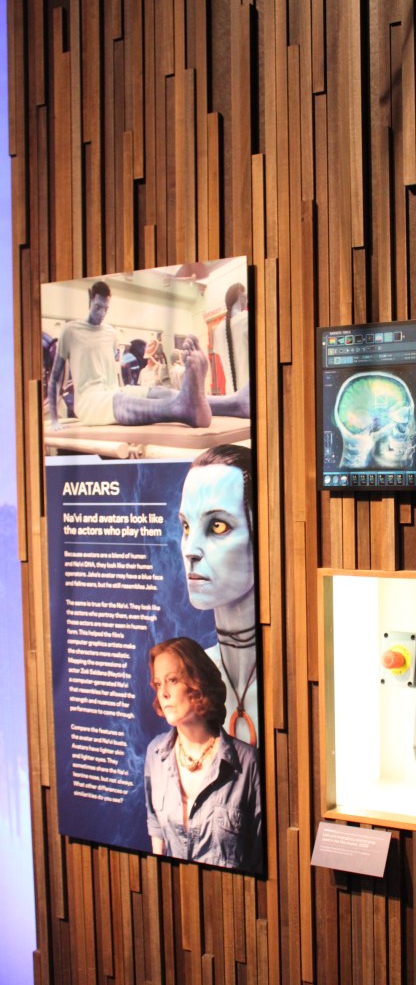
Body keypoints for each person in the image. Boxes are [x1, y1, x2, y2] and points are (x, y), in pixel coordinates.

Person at [47, 280, 250, 429]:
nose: (101, 314)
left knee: (160, 391)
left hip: (114, 390)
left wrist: (127, 389)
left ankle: (233, 404)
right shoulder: (70, 331)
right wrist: (55, 419)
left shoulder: (110, 333)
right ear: (90, 299)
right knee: (121, 401)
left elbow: (113, 374)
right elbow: (55, 378)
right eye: (97, 307)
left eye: (106, 309)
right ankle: (180, 408)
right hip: (89, 401)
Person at [144, 637, 263, 870]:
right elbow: (156, 827)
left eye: (172, 680)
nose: (163, 693)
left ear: (198, 683)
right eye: (158, 684)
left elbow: (259, 853)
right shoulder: (155, 755)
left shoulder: (246, 764)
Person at [179, 444, 259, 746]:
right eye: (186, 526)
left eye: (217, 525)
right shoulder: (190, 679)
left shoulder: (292, 677)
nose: (190, 550)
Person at [211, 282, 249, 396]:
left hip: (231, 396)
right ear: (241, 296)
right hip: (251, 394)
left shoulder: (218, 329)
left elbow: (222, 364)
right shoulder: (247, 319)